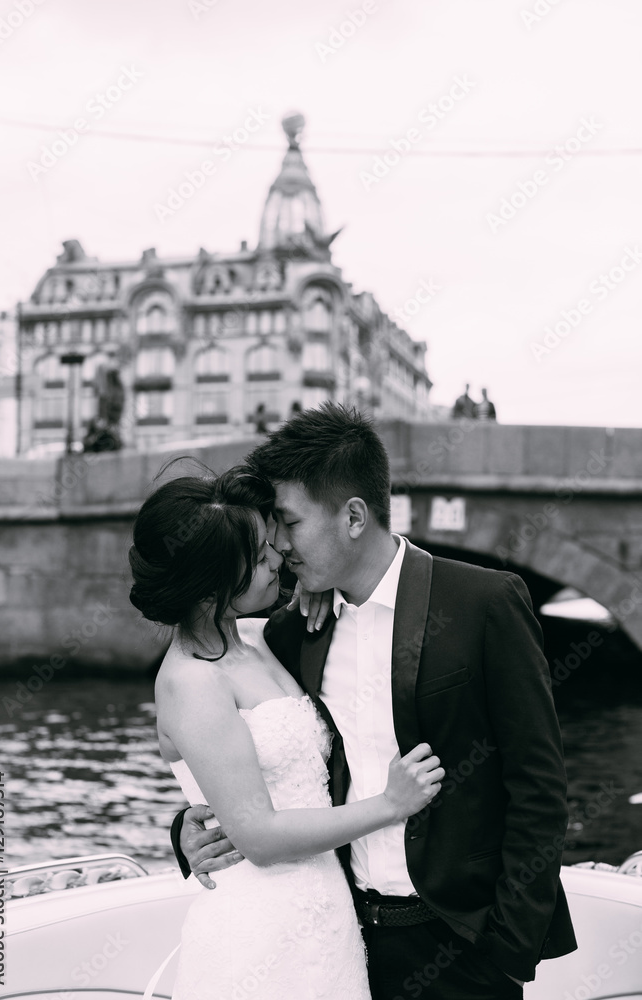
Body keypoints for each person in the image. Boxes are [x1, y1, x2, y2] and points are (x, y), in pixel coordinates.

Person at [172, 403, 577, 999]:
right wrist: (190, 825)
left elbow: (539, 785)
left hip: (461, 944)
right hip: (340, 939)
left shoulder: (482, 603)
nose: (278, 546)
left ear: (354, 517)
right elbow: (258, 759)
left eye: (289, 522)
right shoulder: (292, 631)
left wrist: (504, 948)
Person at [129, 465, 444, 999]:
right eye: (257, 558)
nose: (277, 556)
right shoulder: (189, 682)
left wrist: (312, 591)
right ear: (209, 585)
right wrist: (392, 804)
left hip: (329, 913)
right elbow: (259, 838)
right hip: (259, 929)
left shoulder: (258, 636)